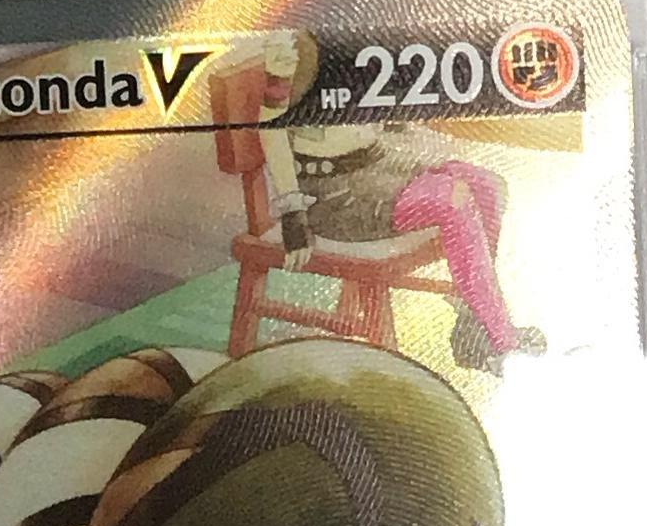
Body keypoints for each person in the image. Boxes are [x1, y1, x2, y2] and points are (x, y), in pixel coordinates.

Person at [230, 30, 545, 374]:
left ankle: (476, 324)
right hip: (332, 191)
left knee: (488, 186)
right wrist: (292, 210)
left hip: (377, 163)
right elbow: (272, 125)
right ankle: (502, 342)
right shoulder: (294, 43)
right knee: (454, 201)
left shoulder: (355, 28)